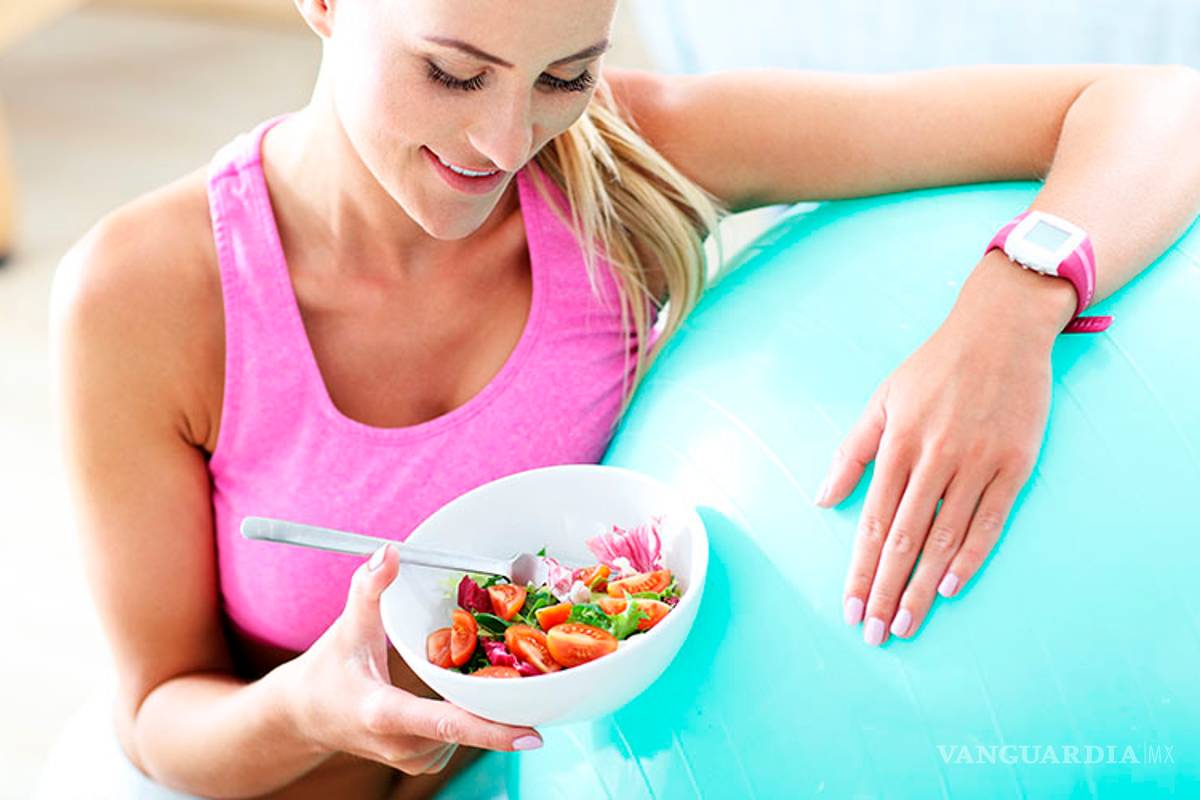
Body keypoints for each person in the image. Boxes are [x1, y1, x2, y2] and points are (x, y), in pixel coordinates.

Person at [47, 0, 1200, 796]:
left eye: (564, 74)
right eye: (451, 71)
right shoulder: (147, 293)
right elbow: (158, 717)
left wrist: (1011, 307)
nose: (503, 142)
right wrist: (311, 709)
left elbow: (1158, 101)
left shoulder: (628, 154)